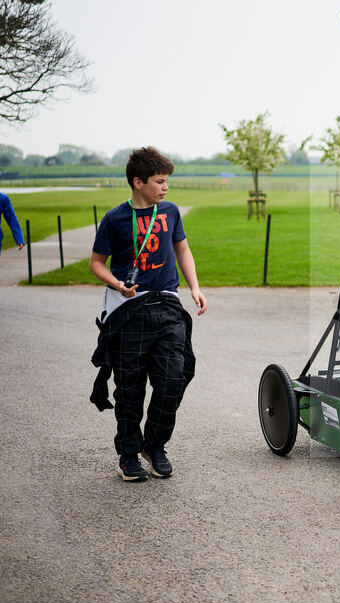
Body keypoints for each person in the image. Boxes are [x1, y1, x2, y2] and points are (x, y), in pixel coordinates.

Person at [88, 147, 207, 482]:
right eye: (159, 181)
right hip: (129, 311)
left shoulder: (169, 212)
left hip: (167, 306)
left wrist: (195, 287)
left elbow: (182, 249)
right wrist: (117, 283)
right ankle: (128, 453)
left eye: (167, 180)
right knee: (129, 389)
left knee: (173, 380)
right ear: (138, 182)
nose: (165, 187)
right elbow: (96, 263)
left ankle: (154, 445)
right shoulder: (114, 219)